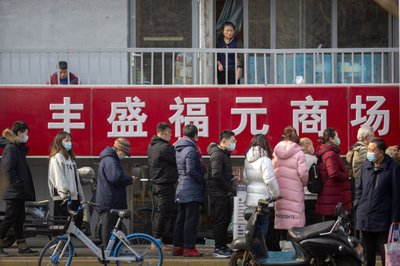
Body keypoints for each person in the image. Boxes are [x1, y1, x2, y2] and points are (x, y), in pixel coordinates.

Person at [355, 137, 400, 266]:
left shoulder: (393, 167)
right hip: (365, 216)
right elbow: (359, 188)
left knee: (385, 253)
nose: (368, 152)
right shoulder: (366, 166)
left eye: (371, 150)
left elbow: (397, 193)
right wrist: (357, 204)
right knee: (368, 254)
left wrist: (396, 217)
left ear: (381, 152)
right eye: (368, 149)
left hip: (383, 218)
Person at [0, 121, 37, 255]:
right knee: (10, 217)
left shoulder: (17, 148)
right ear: (19, 133)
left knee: (19, 219)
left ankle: (22, 246)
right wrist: (17, 183)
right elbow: (8, 168)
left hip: (18, 191)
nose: (27, 136)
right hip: (13, 191)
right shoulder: (11, 148)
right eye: (26, 134)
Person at [172, 124, 206, 257]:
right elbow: (191, 170)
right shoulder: (191, 150)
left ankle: (178, 246)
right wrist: (202, 180)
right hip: (191, 189)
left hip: (182, 188)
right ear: (195, 135)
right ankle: (189, 248)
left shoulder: (179, 149)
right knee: (190, 220)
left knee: (181, 219)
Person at [96, 138, 137, 245]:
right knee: (109, 228)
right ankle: (108, 251)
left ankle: (111, 252)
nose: (124, 156)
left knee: (111, 228)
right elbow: (115, 178)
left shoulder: (108, 159)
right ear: (119, 150)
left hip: (109, 199)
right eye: (124, 153)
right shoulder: (111, 160)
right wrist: (129, 179)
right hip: (110, 201)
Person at [272, 126, 308, 243]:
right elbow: (303, 173)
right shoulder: (299, 153)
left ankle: (283, 254)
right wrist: (304, 183)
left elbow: (272, 170)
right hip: (295, 192)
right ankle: (294, 254)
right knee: (295, 229)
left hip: (280, 191)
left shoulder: (276, 152)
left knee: (283, 225)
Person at [207, 130, 239, 258]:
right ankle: (217, 249)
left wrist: (231, 177)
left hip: (224, 193)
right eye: (232, 141)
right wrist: (228, 188)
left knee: (226, 220)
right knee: (220, 221)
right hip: (218, 194)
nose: (234, 143)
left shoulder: (225, 154)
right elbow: (216, 175)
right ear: (224, 141)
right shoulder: (218, 154)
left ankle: (223, 246)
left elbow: (222, 173)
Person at [243, 134, 280, 242]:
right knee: (263, 226)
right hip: (263, 199)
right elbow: (269, 180)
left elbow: (245, 178)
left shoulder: (247, 159)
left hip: (251, 199)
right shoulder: (265, 160)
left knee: (253, 227)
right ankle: (261, 251)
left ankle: (253, 250)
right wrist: (276, 194)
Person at [147, 122, 178, 244]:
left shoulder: (151, 146)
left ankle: (155, 240)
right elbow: (177, 159)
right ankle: (156, 242)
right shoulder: (165, 148)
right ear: (165, 133)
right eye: (170, 133)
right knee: (163, 213)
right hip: (164, 184)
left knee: (158, 212)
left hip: (155, 184)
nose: (170, 136)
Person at [48, 131, 85, 229]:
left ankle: (68, 244)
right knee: (63, 228)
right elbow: (59, 178)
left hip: (73, 197)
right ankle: (60, 244)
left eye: (70, 140)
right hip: (63, 198)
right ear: (59, 142)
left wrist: (80, 196)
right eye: (66, 140)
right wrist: (65, 195)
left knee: (74, 227)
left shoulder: (70, 159)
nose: (70, 143)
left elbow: (75, 180)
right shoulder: (56, 158)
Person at [315, 128, 351, 219]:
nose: (338, 139)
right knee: (333, 228)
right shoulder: (330, 154)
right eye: (337, 137)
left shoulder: (326, 152)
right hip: (333, 198)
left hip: (330, 196)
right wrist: (346, 175)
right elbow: (334, 173)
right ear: (331, 139)